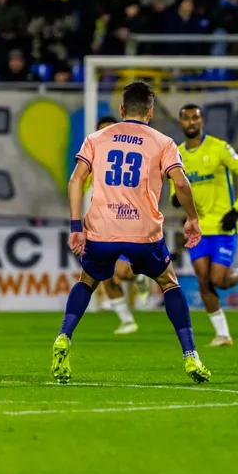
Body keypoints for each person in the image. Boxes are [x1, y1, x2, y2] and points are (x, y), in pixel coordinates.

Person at [51, 82, 209, 384]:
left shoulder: (96, 138)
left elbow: (76, 180)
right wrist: (192, 218)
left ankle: (64, 336)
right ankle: (190, 355)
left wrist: (75, 226)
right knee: (168, 282)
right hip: (143, 232)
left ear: (122, 109)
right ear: (150, 112)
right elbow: (181, 183)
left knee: (87, 280)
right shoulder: (163, 142)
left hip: (102, 230)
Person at [169, 105, 238, 347]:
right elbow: (174, 189)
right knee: (203, 280)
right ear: (181, 123)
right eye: (186, 118)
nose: (191, 122)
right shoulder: (177, 154)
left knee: (218, 279)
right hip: (197, 229)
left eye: (195, 118)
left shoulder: (219, 148)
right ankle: (223, 335)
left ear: (202, 121)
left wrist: (236, 210)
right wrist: (175, 198)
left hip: (222, 227)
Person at [86, 115, 149, 335]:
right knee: (104, 275)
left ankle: (139, 275)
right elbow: (80, 184)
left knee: (121, 271)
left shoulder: (133, 157)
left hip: (128, 221)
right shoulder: (92, 158)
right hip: (102, 224)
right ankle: (127, 320)